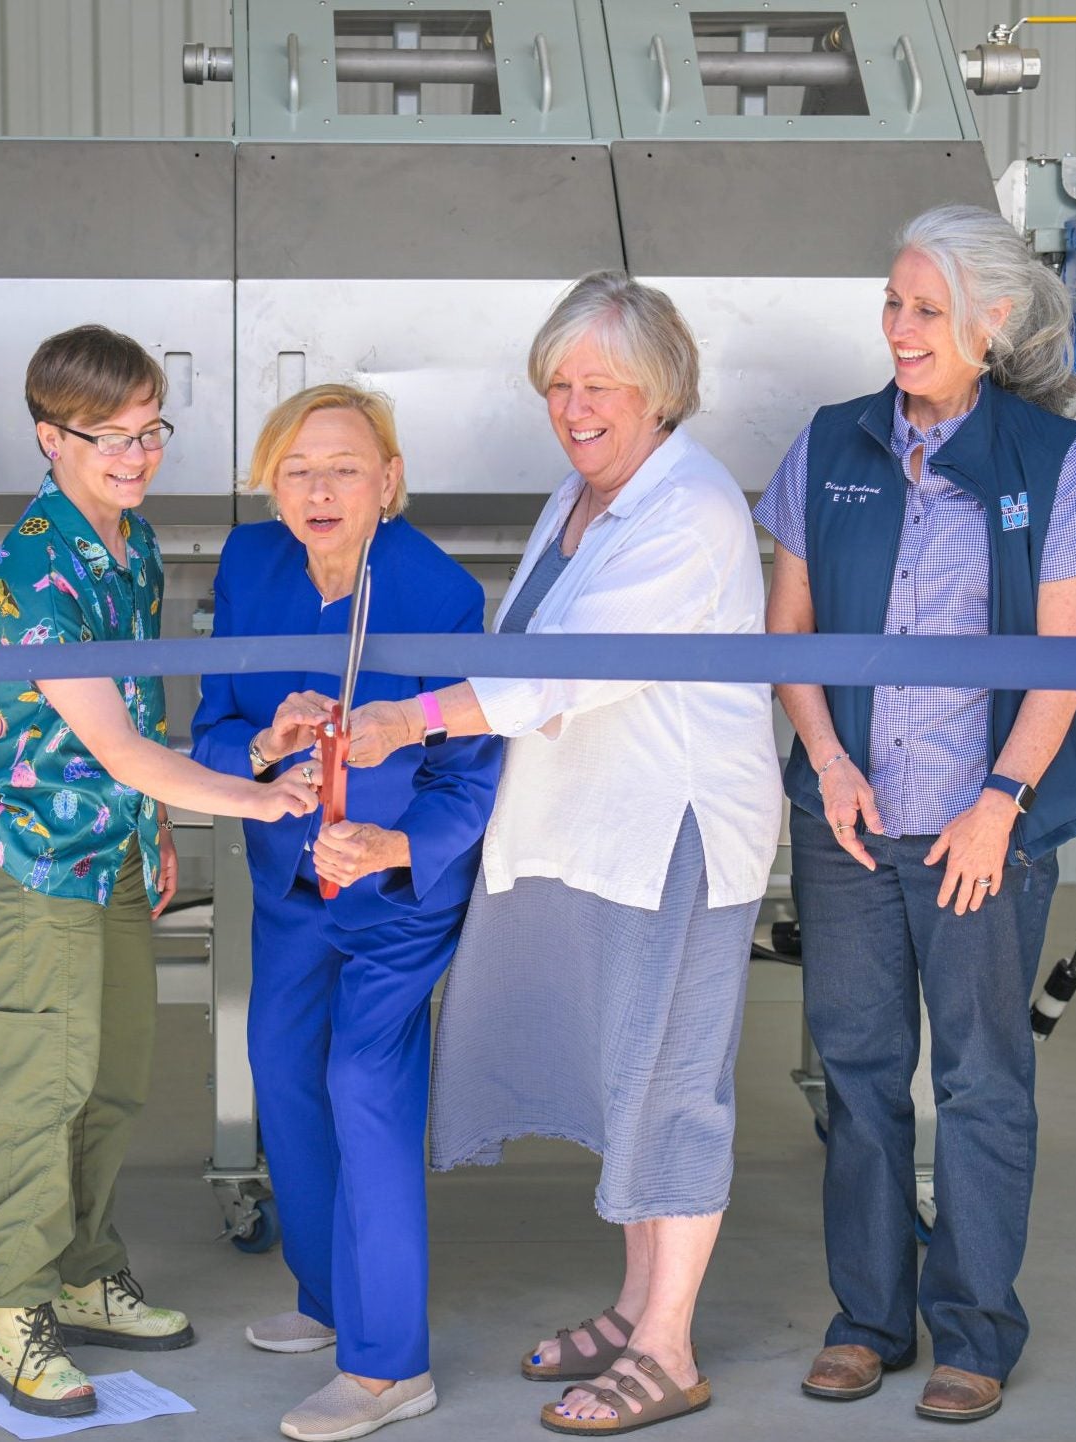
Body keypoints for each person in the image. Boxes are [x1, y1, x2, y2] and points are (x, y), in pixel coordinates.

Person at [341, 273, 782, 1437]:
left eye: (600, 384)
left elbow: (569, 668)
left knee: (671, 1082)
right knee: (621, 1074)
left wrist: (410, 717)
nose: (574, 405)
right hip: (595, 828)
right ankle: (640, 1306)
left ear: (662, 391)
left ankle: (671, 1349)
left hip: (669, 832)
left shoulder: (687, 509)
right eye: (558, 384)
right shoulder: (581, 496)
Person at [753, 203, 1076, 1425]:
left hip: (985, 820)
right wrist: (824, 758)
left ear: (993, 322)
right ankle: (868, 1316)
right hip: (851, 817)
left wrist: (998, 805)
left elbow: (1065, 656)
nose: (899, 328)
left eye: (925, 308)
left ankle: (974, 1327)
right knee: (859, 1071)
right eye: (892, 303)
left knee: (978, 1078)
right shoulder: (829, 444)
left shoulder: (1046, 457)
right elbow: (789, 630)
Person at [0, 324, 321, 1419]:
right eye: (106, 435)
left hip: (111, 851)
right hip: (33, 861)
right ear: (47, 436)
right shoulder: (34, 566)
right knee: (39, 1087)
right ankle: (13, 1314)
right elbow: (115, 746)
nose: (133, 452)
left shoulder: (133, 541)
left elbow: (142, 709)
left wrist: (156, 829)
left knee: (111, 1078)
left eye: (148, 429)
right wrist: (255, 794)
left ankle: (81, 1270)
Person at [189, 385, 502, 1442]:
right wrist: (266, 748)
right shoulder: (250, 567)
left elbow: (471, 775)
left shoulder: (439, 593)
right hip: (288, 879)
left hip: (396, 891)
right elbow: (211, 731)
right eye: (296, 470)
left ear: (389, 482)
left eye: (343, 468)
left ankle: (386, 1364)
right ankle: (327, 1297)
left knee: (362, 1078)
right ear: (271, 486)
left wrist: (394, 844)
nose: (320, 490)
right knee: (281, 1068)